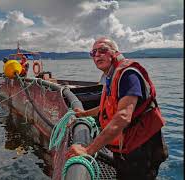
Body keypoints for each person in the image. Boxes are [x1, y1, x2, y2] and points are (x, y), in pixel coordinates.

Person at [66, 37, 168, 180]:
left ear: (115, 53)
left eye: (102, 50)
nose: (97, 55)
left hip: (142, 148)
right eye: (93, 53)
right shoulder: (112, 76)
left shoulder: (128, 75)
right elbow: (107, 107)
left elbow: (123, 116)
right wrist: (83, 114)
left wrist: (88, 150)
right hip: (127, 146)